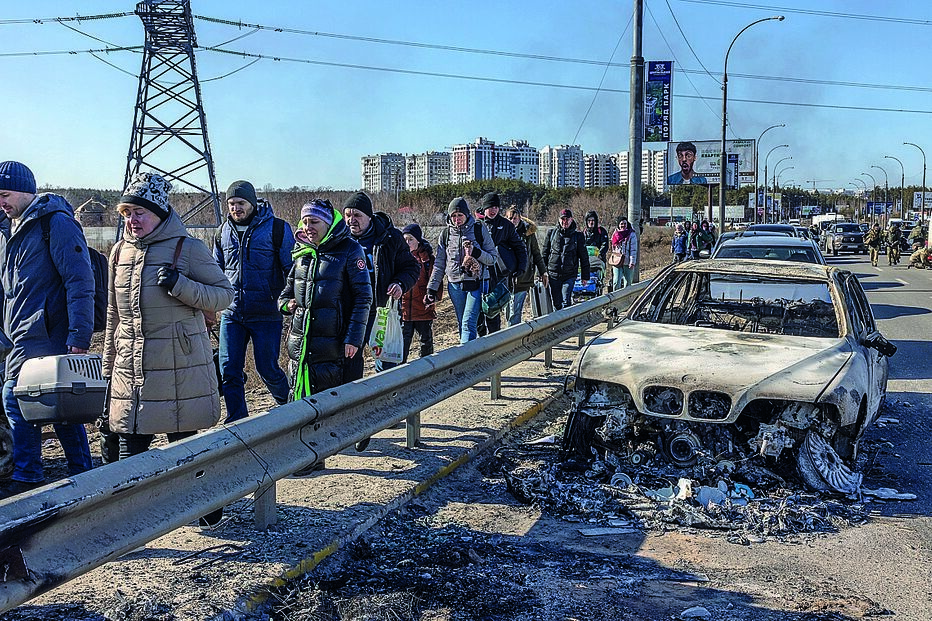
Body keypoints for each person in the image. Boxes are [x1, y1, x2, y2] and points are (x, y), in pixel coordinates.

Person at [104, 172, 233, 523]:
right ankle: (129, 524)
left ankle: (207, 507)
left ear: (160, 212)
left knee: (184, 447)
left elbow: (224, 294)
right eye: (127, 213)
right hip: (132, 369)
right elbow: (114, 315)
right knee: (130, 451)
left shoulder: (188, 248)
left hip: (180, 367)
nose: (132, 220)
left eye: (139, 213)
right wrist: (107, 368)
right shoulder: (119, 252)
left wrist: (181, 286)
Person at [0, 162, 95, 498]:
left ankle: (29, 478)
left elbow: (80, 280)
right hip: (20, 336)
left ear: (26, 190)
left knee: (18, 399)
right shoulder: (10, 231)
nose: (1, 202)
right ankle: (83, 475)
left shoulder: (54, 223)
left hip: (51, 334)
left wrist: (79, 335)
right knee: (57, 411)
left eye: (5, 194)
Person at [280, 199, 372, 474]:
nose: (308, 228)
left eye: (314, 222)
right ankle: (308, 456)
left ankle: (328, 447)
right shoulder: (302, 253)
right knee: (300, 399)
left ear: (328, 224)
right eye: (305, 222)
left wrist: (354, 339)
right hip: (301, 341)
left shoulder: (349, 250)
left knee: (326, 399)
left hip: (333, 340)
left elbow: (363, 297)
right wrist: (286, 306)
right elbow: (285, 294)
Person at [214, 180, 295, 424]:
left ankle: (289, 406)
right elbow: (215, 271)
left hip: (266, 312)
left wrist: (290, 300)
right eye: (231, 204)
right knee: (229, 370)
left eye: (240, 203)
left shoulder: (277, 229)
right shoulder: (222, 232)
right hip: (232, 313)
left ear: (252, 203)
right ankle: (237, 421)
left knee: (267, 368)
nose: (236, 209)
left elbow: (291, 270)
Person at [342, 191, 419, 378]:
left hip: (381, 311)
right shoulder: (340, 240)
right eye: (348, 215)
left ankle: (389, 401)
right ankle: (354, 403)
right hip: (350, 313)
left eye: (357, 215)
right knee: (349, 363)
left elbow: (411, 267)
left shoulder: (389, 237)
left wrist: (400, 283)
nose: (352, 220)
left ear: (369, 217)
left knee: (387, 363)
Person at [426, 197, 497, 343]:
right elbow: (439, 264)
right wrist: (431, 289)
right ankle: (467, 355)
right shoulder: (445, 234)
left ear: (466, 214)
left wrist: (476, 252)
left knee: (468, 322)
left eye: (460, 215)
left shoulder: (478, 228)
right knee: (461, 323)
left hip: (475, 284)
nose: (457, 219)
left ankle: (467, 361)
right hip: (454, 285)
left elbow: (492, 258)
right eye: (453, 216)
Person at [475, 192, 527, 336]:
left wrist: (521, 267)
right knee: (478, 313)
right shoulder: (477, 225)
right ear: (484, 208)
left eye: (496, 207)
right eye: (490, 207)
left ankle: (494, 344)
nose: (493, 210)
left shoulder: (506, 225)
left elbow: (519, 247)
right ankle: (481, 343)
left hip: (498, 275)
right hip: (478, 275)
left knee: (493, 311)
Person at [505, 206, 547, 326]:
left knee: (515, 312)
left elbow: (536, 253)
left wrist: (543, 272)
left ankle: (513, 338)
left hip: (523, 277)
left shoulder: (528, 233)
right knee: (507, 312)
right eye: (510, 218)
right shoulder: (503, 232)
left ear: (520, 218)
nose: (513, 221)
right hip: (506, 277)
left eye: (515, 218)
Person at [400, 223, 436, 362]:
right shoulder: (400, 257)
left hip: (423, 308)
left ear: (418, 240)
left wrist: (432, 296)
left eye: (410, 239)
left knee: (425, 342)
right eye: (405, 240)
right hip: (405, 310)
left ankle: (427, 370)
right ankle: (400, 373)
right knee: (402, 343)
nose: (407, 243)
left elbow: (435, 280)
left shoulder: (427, 259)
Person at [541, 209, 589, 311]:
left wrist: (585, 276)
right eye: (563, 219)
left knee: (566, 301)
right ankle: (558, 325)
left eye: (567, 219)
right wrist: (541, 272)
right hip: (553, 274)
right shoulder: (551, 233)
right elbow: (544, 254)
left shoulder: (578, 236)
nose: (565, 222)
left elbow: (584, 257)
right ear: (559, 220)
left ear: (571, 220)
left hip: (569, 275)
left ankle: (567, 325)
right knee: (557, 303)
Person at [609, 217, 639, 290]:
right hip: (617, 261)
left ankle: (626, 299)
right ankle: (616, 298)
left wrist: (632, 262)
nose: (623, 225)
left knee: (628, 282)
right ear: (618, 225)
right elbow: (612, 247)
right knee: (616, 281)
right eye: (621, 224)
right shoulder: (615, 234)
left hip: (627, 261)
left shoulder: (631, 234)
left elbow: (633, 250)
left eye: (624, 223)